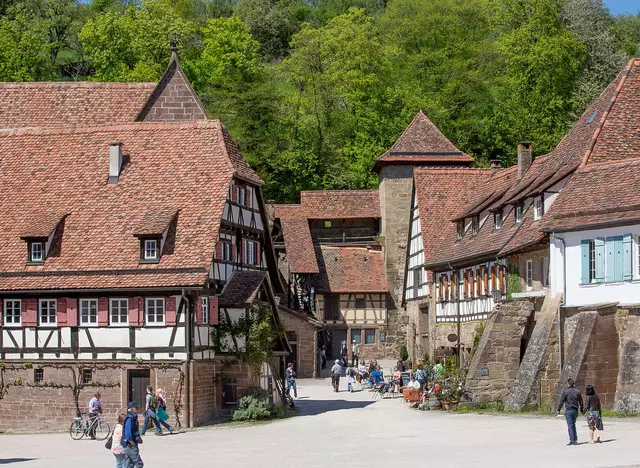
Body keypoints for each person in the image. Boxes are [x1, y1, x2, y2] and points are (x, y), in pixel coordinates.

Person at [555, 378, 584, 446]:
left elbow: (562, 401)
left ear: (568, 384)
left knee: (570, 426)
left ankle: (572, 440)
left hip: (569, 410)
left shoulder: (566, 392)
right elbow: (581, 402)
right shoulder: (577, 391)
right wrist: (582, 410)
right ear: (573, 384)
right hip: (575, 410)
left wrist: (558, 409)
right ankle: (575, 439)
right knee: (573, 424)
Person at [122, 402, 144, 468]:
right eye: (136, 408)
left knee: (129, 464)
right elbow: (128, 435)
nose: (138, 409)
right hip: (130, 445)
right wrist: (133, 444)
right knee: (139, 463)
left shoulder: (134, 418)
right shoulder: (130, 419)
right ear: (131, 409)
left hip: (130, 445)